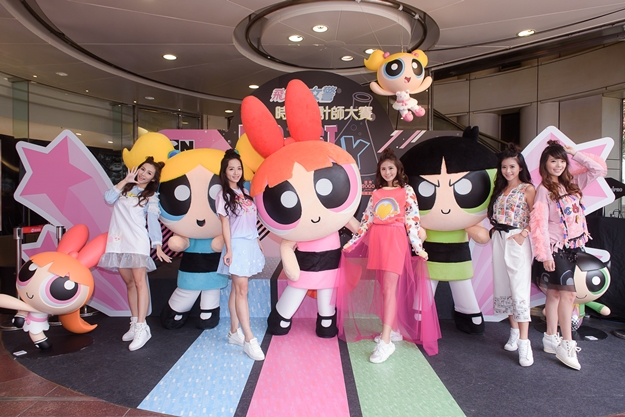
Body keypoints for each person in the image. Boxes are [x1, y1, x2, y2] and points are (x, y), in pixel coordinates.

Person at [340, 148, 439, 363]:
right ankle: (392, 330)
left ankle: (386, 342)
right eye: (384, 169)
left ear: (398, 169)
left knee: (389, 288)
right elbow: (366, 221)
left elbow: (412, 221)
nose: (387, 172)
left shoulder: (407, 191)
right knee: (384, 288)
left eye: (391, 168)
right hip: (378, 241)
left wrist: (417, 247)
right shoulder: (376, 194)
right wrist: (352, 242)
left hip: (395, 240)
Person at [530, 140, 607, 370]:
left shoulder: (573, 183)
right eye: (553, 161)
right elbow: (540, 225)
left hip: (575, 247)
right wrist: (545, 255)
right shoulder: (543, 190)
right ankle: (567, 343)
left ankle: (550, 336)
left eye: (562, 161)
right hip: (556, 249)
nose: (558, 165)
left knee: (554, 294)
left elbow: (598, 169)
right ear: (545, 164)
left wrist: (575, 153)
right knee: (569, 295)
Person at [98, 156, 171, 351]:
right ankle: (134, 321)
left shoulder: (150, 196)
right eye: (143, 169)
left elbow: (153, 222)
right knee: (129, 283)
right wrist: (125, 180)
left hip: (137, 242)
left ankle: (142, 327)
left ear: (153, 179)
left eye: (149, 173)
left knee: (140, 283)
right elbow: (108, 198)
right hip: (119, 242)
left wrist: (157, 245)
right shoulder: (123, 188)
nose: (144, 174)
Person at [487, 143, 535, 366]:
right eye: (504, 167)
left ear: (520, 167)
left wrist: (523, 233)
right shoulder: (500, 190)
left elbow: (537, 217)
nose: (508, 171)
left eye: (512, 166)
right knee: (504, 285)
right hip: (499, 239)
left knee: (519, 288)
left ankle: (525, 343)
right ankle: (514, 332)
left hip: (517, 239)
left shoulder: (528, 189)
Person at [216, 149, 266, 361]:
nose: (236, 172)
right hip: (236, 245)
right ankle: (249, 339)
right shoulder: (223, 195)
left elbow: (251, 221)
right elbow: (225, 224)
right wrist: (229, 249)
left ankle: (233, 332)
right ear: (224, 171)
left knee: (236, 290)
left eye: (238, 168)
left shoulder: (245, 193)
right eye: (231, 169)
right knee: (242, 290)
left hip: (250, 244)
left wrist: (257, 241)